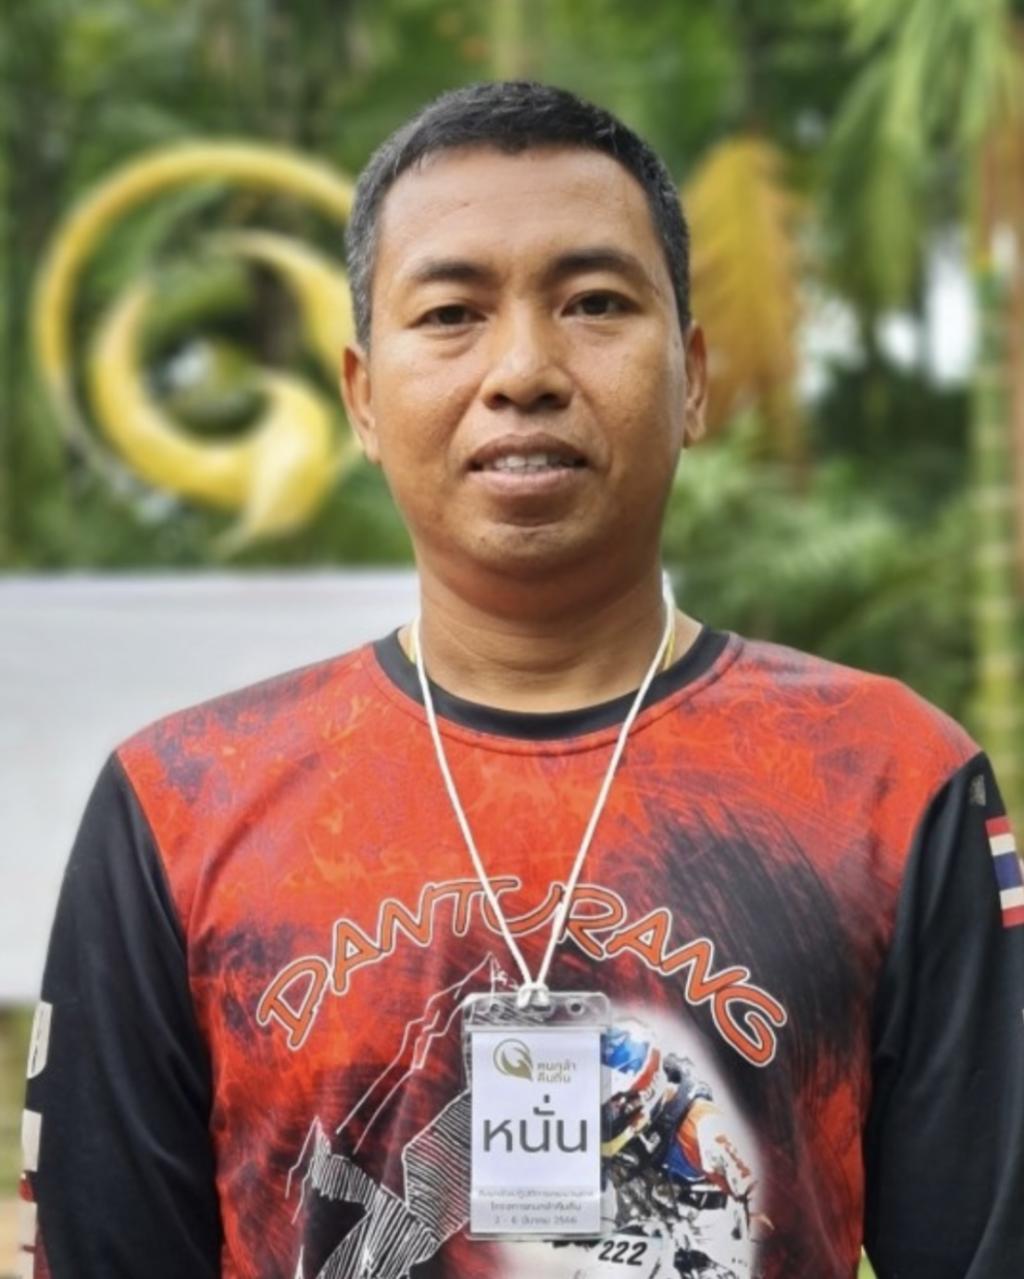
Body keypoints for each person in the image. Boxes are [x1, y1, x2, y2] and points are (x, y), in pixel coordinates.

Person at [18, 80, 1024, 1279]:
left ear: (692, 378)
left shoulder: (890, 784)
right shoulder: (181, 806)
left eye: (594, 302)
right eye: (451, 312)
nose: (524, 369)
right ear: (362, 397)